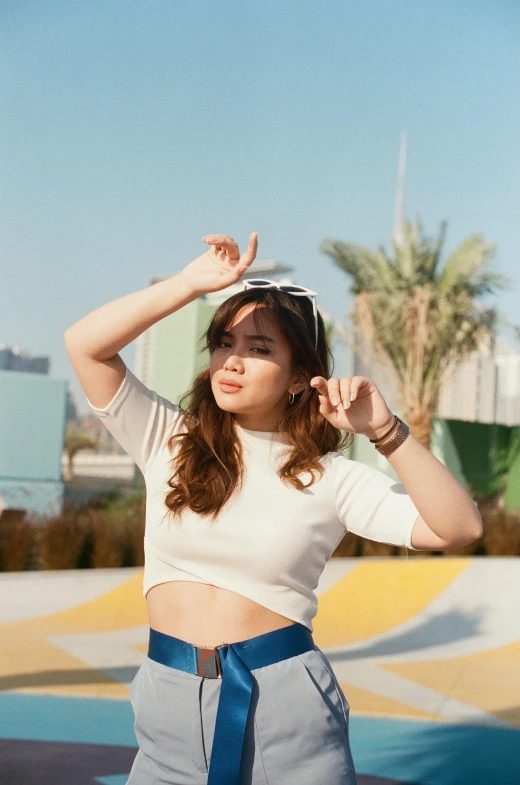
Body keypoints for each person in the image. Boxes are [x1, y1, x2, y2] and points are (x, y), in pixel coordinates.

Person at [64, 232, 482, 785]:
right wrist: (190, 284)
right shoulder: (168, 438)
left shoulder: (329, 478)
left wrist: (385, 431)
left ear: (296, 378)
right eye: (223, 343)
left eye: (259, 349)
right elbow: (84, 344)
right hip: (167, 702)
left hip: (284, 710)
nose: (232, 362)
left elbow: (458, 527)